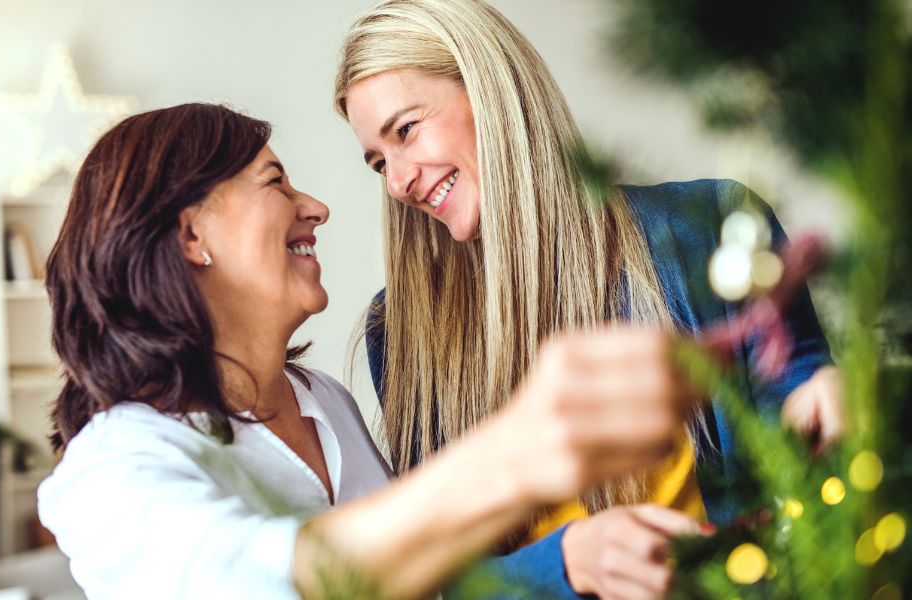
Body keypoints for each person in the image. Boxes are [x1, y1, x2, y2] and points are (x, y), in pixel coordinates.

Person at [36, 103, 700, 600]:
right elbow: (263, 579)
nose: (316, 208)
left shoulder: (324, 400)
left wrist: (569, 557)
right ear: (191, 234)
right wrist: (519, 451)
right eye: (276, 184)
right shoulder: (112, 468)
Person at [334, 0, 841, 597]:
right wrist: (569, 561)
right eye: (377, 161)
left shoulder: (709, 225)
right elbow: (444, 575)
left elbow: (803, 409)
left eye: (406, 130)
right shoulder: (399, 330)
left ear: (491, 90)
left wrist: (829, 396)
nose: (396, 182)